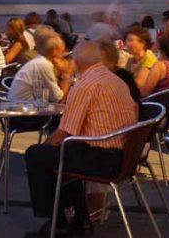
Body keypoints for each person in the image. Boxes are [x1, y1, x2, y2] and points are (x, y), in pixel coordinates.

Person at [22, 41, 138, 237]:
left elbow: (64, 132)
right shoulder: (117, 81)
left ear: (76, 62)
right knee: (62, 156)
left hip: (102, 159)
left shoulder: (85, 85)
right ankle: (79, 221)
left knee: (36, 155)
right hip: (124, 157)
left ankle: (56, 222)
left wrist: (45, 147)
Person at [9, 32, 73, 103]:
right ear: (54, 51)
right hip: (22, 107)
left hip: (26, 105)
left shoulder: (41, 61)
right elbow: (58, 98)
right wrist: (67, 74)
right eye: (62, 51)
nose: (64, 55)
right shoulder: (44, 64)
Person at [124, 25, 159, 97]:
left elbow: (139, 84)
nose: (127, 44)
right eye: (127, 40)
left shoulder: (149, 58)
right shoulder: (130, 60)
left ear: (143, 43)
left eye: (130, 40)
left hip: (144, 99)